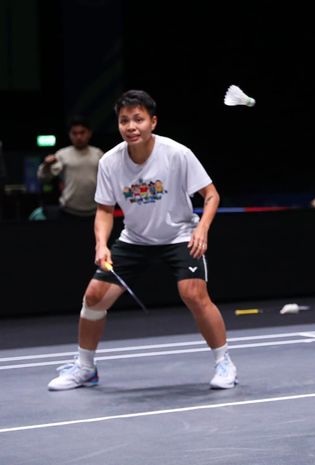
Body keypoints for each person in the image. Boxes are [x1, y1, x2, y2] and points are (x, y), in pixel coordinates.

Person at [48, 90, 237, 391]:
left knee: (193, 293)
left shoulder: (177, 153)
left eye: (138, 119)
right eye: (124, 120)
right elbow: (105, 210)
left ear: (153, 122)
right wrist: (101, 244)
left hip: (179, 234)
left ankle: (224, 362)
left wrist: (201, 229)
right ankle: (85, 368)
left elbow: (211, 194)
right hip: (134, 239)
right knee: (94, 297)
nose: (131, 126)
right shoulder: (110, 161)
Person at [36, 116, 104, 219]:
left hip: (94, 210)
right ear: (70, 135)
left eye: (82, 132)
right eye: (75, 133)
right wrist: (46, 165)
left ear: (89, 133)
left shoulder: (98, 154)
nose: (79, 136)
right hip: (68, 210)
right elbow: (43, 178)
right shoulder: (62, 155)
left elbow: (110, 180)